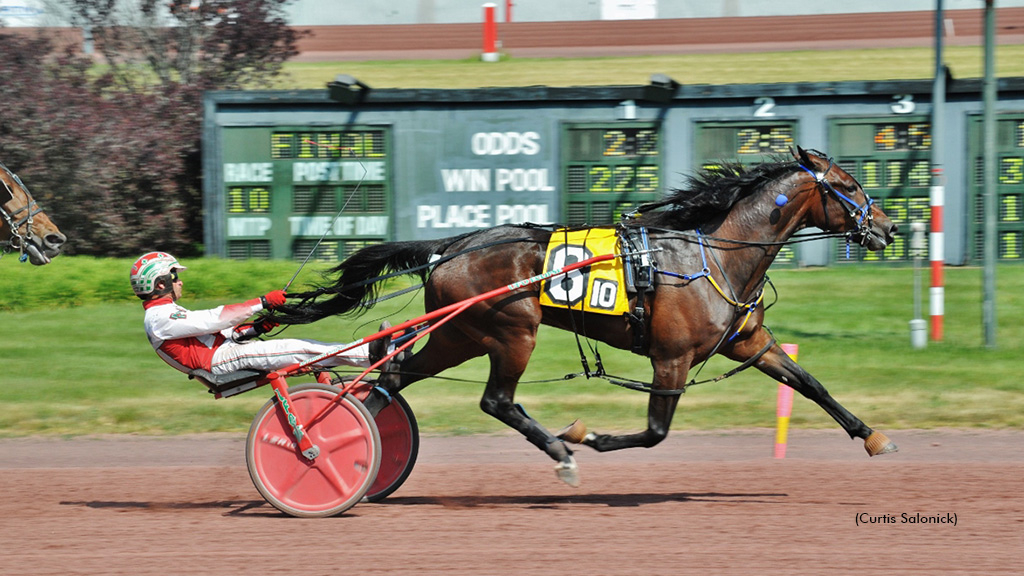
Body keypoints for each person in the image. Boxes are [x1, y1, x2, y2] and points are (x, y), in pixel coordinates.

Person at [130, 251, 391, 378]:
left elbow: (217, 333)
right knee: (300, 349)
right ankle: (373, 356)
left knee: (303, 348)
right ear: (160, 284)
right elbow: (214, 319)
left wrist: (257, 328)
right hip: (222, 361)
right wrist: (262, 302)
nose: (180, 281)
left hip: (224, 353)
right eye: (174, 275)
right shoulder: (159, 319)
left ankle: (374, 352)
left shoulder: (166, 314)